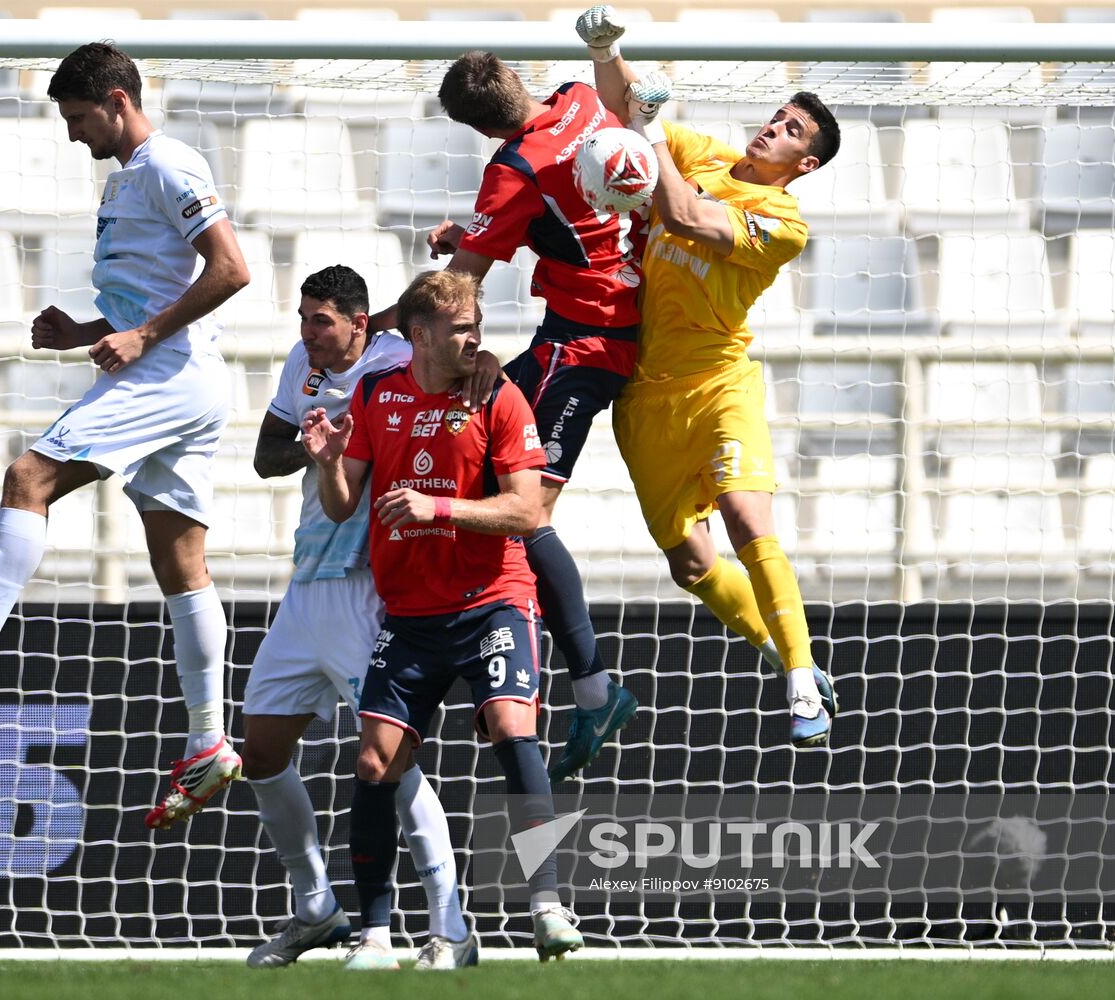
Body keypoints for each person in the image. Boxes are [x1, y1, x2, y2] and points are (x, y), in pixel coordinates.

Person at [0, 42, 252, 824]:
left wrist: (143, 337)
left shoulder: (169, 165)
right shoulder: (126, 181)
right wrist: (84, 329)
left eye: (80, 118)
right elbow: (154, 286)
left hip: (170, 373)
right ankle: (211, 740)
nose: (74, 135)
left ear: (116, 100)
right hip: (179, 374)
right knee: (179, 561)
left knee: (28, 478)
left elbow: (231, 269)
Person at [369, 50, 643, 782]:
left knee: (529, 510)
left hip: (585, 341)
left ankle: (593, 690)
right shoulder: (583, 100)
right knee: (485, 433)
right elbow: (565, 198)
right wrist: (476, 234)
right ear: (517, 84)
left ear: (477, 129)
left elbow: (459, 294)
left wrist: (382, 326)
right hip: (587, 323)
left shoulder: (510, 171)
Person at [574, 6, 840, 747]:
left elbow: (687, 218)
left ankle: (799, 686)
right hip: (645, 396)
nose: (770, 129)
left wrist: (653, 131)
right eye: (775, 117)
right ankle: (780, 653)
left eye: (789, 131)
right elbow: (624, 104)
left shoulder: (783, 225)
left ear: (805, 164)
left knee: (744, 517)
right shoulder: (706, 154)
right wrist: (606, 49)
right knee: (691, 565)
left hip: (719, 381)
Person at [303, 270, 583, 968]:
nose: (475, 338)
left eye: (475, 325)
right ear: (419, 336)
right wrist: (329, 465)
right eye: (461, 328)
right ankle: (373, 935)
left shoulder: (498, 394)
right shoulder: (377, 393)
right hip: (409, 611)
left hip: (491, 598)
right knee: (373, 760)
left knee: (514, 728)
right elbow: (343, 507)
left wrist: (442, 508)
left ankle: (546, 904)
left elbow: (526, 510)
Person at [243, 265, 473, 970]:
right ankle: (314, 907)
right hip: (307, 579)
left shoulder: (397, 360)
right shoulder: (300, 364)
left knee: (389, 762)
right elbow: (264, 456)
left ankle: (447, 922)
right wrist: (318, 446)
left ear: (360, 323)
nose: (307, 333)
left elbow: (459, 354)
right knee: (260, 753)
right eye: (304, 319)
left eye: (320, 321)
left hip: (368, 583)